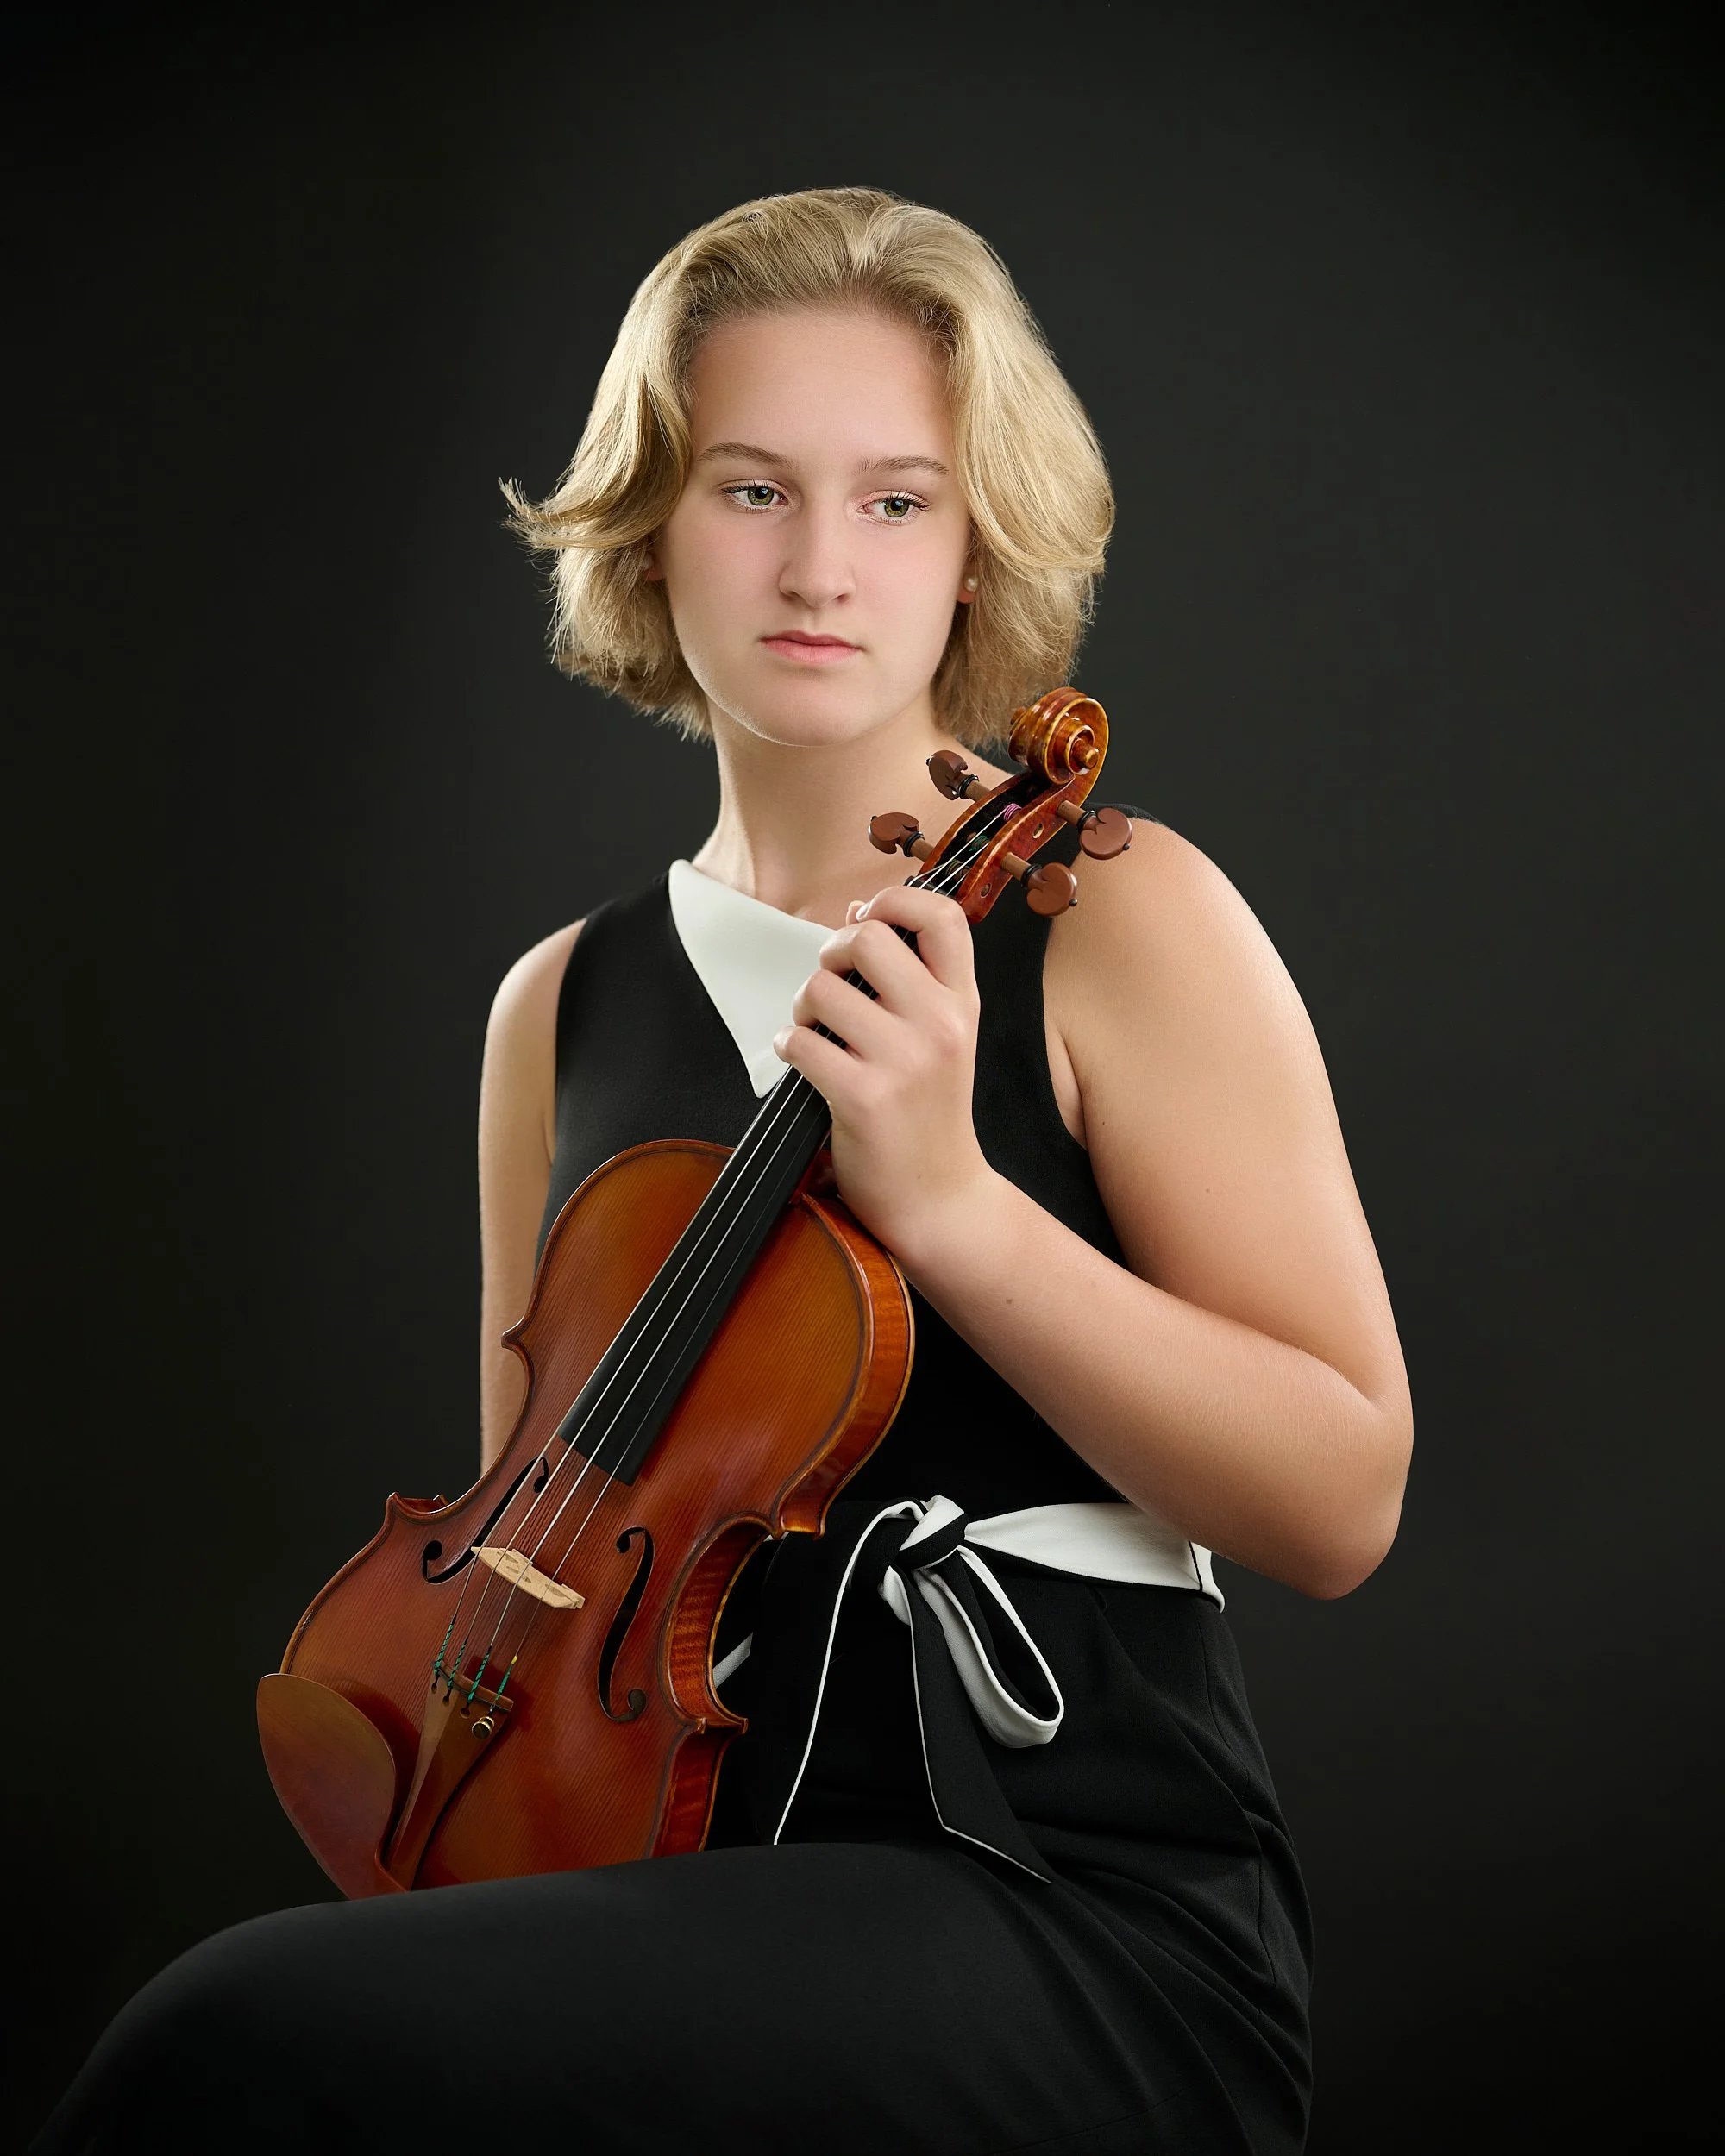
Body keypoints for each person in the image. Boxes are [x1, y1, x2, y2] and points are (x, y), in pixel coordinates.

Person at [34, 188, 1412, 2155]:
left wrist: (949, 1204)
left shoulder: (1116, 917)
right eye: (751, 490)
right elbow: (546, 1545)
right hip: (677, 1872)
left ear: (975, 546)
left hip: (1060, 1895)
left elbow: (1344, 1492)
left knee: (224, 2038)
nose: (819, 564)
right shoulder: (559, 1004)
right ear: (648, 527)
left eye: (896, 500)